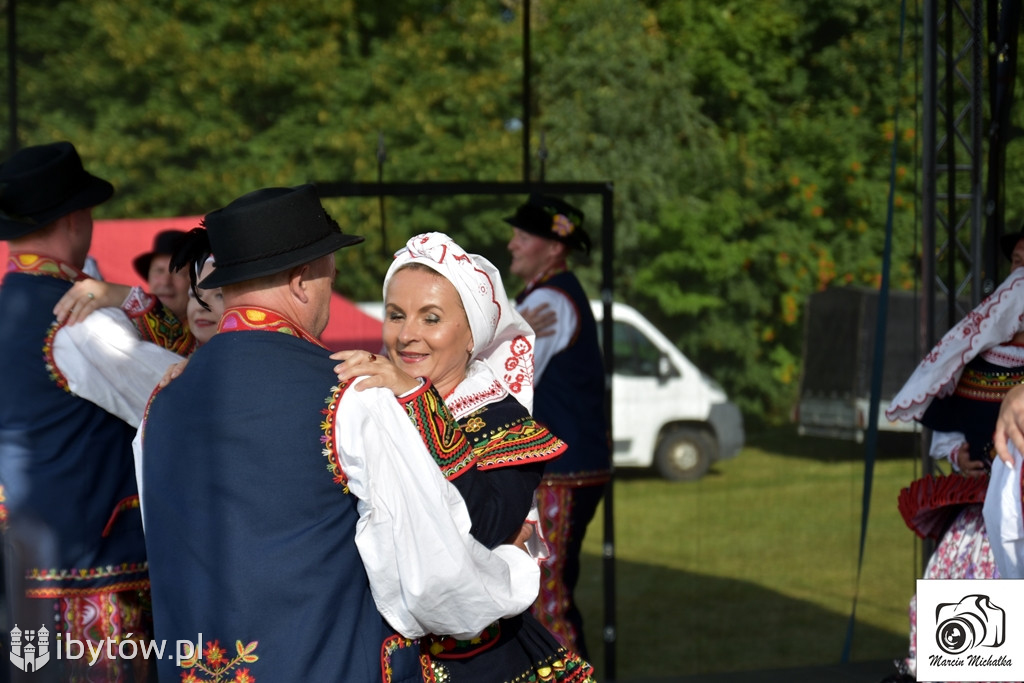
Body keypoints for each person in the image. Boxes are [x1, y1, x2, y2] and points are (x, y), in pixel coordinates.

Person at [138, 185, 542, 681]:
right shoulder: (353, 395)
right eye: (331, 271)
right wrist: (514, 570)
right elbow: (434, 586)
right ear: (303, 280)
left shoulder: (158, 404)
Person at [333, 231, 596, 682]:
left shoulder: (506, 421)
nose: (407, 335)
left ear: (472, 334)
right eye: (396, 315)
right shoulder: (369, 401)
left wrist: (420, 403)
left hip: (478, 661)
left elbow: (488, 526)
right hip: (378, 654)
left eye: (430, 318)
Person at [0, 141, 183, 681]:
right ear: (77, 218)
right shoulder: (78, 321)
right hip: (93, 573)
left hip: (24, 568)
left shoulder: (12, 307)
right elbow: (181, 393)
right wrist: (136, 299)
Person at [883, 241, 1024, 682]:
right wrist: (958, 453)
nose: (1020, 272)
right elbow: (949, 420)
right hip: (987, 519)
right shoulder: (983, 359)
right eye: (1017, 260)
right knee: (970, 636)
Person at [503, 194, 612, 657]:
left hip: (563, 472)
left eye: (523, 236)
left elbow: (511, 384)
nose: (511, 244)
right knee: (541, 591)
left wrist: (506, 337)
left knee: (546, 595)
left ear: (553, 249)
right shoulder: (535, 299)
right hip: (564, 468)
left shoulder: (550, 300)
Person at [132, 228, 191, 323]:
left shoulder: (211, 332)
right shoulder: (126, 327)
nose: (165, 282)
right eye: (159, 271)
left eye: (178, 272)